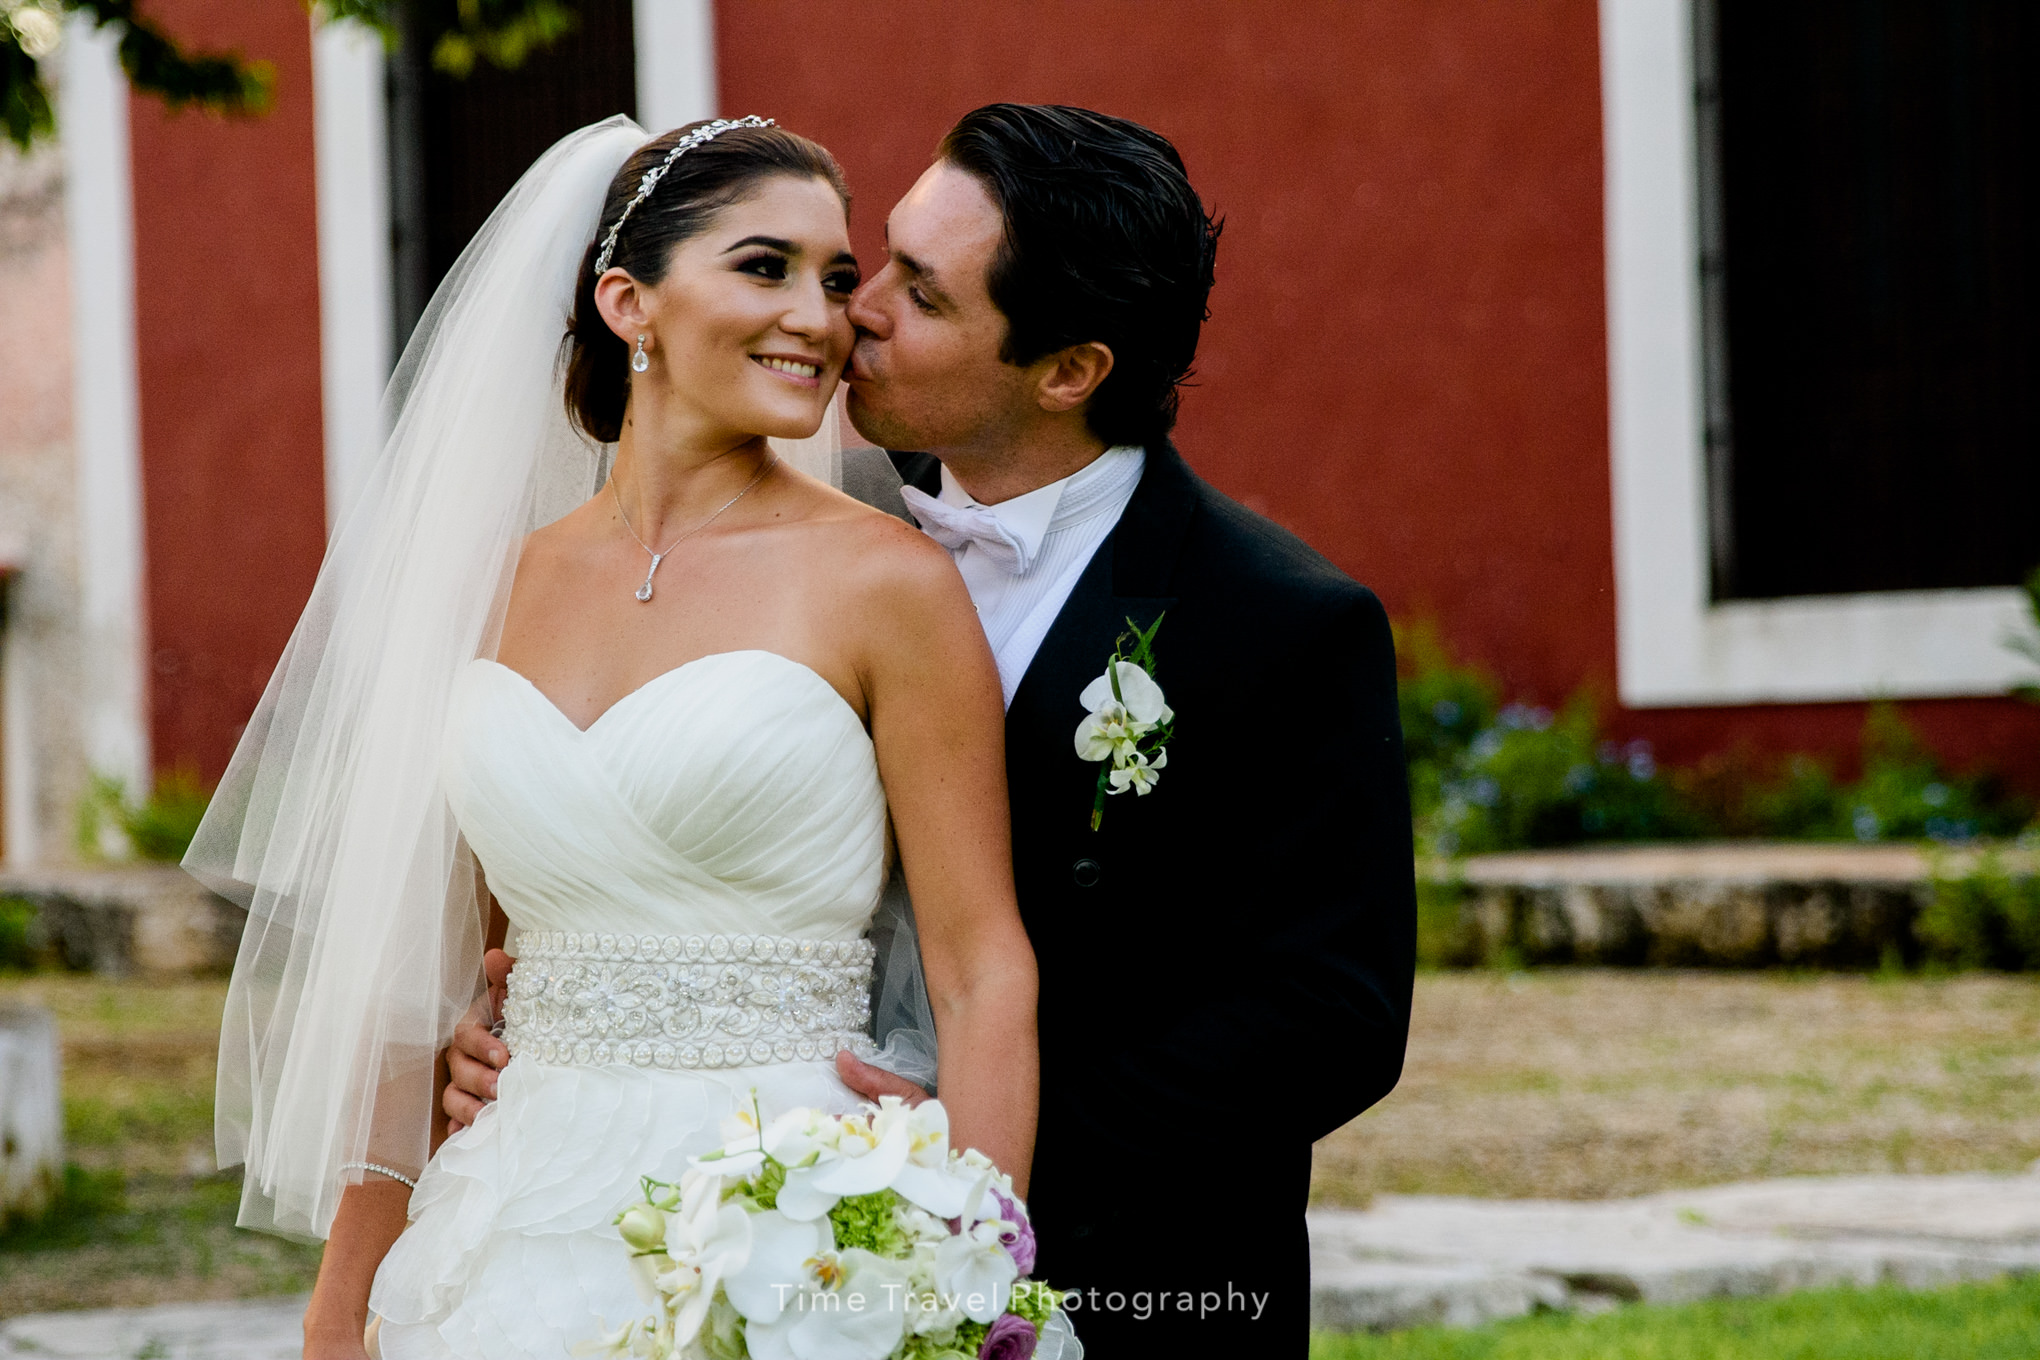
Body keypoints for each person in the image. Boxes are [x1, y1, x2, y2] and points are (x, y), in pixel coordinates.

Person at [448, 104, 1418, 1356]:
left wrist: (954, 1155)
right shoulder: (814, 542)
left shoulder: (1277, 623)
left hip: (1132, 1277)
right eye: (881, 260)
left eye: (921, 292)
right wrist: (531, 1024)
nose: (855, 310)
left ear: (1068, 372)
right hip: (714, 1219)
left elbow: (1329, 1015)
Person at [186, 117, 1040, 1360]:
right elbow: (433, 983)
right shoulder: (489, 588)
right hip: (513, 1216)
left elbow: (980, 971)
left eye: (836, 277)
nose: (821, 314)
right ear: (628, 302)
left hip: (795, 1214)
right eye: (766, 266)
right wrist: (338, 1311)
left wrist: (965, 1281)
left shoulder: (887, 582)